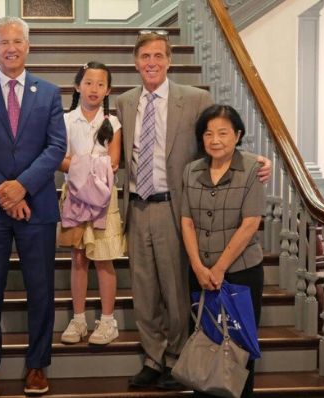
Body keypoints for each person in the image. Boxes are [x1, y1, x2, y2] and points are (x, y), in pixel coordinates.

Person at [116, 31, 270, 390]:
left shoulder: (195, 98)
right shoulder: (124, 101)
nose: (151, 63)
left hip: (176, 207)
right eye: (144, 57)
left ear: (168, 60)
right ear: (136, 62)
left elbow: (217, 139)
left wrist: (257, 160)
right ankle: (152, 357)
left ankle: (176, 358)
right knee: (144, 290)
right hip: (137, 207)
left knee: (175, 290)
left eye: (158, 56)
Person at [0, 16, 67, 396]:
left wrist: (21, 187)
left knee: (41, 291)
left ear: (28, 46)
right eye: (2, 42)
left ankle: (38, 365)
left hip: (38, 205)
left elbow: (56, 147)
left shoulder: (49, 93)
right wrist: (4, 191)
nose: (10, 47)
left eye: (17, 41)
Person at [182, 104, 265, 397]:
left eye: (223, 133)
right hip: (200, 273)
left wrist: (218, 269)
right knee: (206, 340)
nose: (215, 139)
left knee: (240, 346)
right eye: (208, 133)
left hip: (241, 274)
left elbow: (251, 222)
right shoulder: (191, 170)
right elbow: (187, 221)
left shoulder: (253, 169)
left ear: (238, 134)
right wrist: (197, 266)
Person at [57, 62, 126, 346]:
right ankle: (79, 318)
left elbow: (114, 162)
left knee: (104, 258)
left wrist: (80, 164)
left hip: (104, 198)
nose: (94, 88)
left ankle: (108, 321)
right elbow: (59, 158)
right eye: (88, 82)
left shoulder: (113, 123)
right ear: (77, 86)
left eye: (100, 84)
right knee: (78, 257)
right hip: (73, 195)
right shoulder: (64, 120)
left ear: (108, 89)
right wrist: (91, 165)